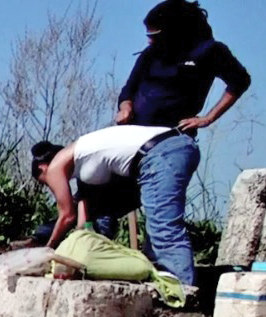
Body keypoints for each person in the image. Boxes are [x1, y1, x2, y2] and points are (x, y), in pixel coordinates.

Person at [31, 125, 199, 285]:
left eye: (45, 182)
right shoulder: (83, 159)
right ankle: (168, 281)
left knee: (164, 230)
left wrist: (48, 249)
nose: (51, 186)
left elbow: (67, 216)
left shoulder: (54, 167)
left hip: (159, 154)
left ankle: (183, 293)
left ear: (42, 168)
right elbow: (82, 220)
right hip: (173, 148)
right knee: (157, 231)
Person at [116, 0, 250, 132]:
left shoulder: (210, 51)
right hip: (133, 132)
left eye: (154, 35)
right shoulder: (150, 53)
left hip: (172, 135)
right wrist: (125, 107)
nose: (149, 41)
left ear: (173, 32)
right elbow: (128, 90)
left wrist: (208, 118)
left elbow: (240, 81)